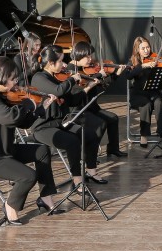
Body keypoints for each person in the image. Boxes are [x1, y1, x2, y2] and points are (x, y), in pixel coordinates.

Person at [0, 56, 58, 225]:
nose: (16, 83)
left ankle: (46, 198)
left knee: (42, 151)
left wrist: (40, 109)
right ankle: (10, 207)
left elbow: (21, 121)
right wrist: (28, 104)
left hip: (5, 149)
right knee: (28, 176)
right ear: (2, 76)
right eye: (13, 79)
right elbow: (10, 118)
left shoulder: (2, 94)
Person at [29, 45, 106, 190]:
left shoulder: (57, 78)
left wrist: (87, 87)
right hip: (43, 126)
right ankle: (77, 181)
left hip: (59, 123)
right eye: (60, 61)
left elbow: (72, 101)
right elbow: (58, 91)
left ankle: (91, 171)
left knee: (90, 134)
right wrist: (71, 79)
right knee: (72, 142)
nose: (64, 64)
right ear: (51, 63)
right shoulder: (39, 78)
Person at [68, 41, 126, 158]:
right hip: (79, 110)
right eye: (87, 56)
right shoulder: (70, 70)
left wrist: (116, 74)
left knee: (113, 118)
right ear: (79, 54)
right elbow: (80, 89)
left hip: (91, 107)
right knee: (100, 123)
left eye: (91, 56)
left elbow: (102, 84)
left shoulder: (88, 69)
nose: (91, 59)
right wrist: (97, 75)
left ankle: (113, 149)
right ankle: (89, 154)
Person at [125, 36, 162, 147]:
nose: (146, 50)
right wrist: (143, 66)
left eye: (147, 47)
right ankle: (144, 135)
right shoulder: (132, 61)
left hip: (153, 92)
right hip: (138, 94)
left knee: (159, 104)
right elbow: (129, 76)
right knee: (146, 104)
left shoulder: (155, 58)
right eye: (143, 48)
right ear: (137, 50)